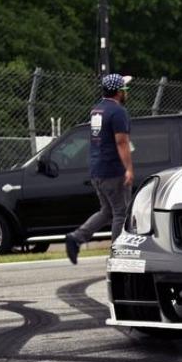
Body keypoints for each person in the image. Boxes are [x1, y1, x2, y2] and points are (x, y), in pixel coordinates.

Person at [65, 73, 134, 264]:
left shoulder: (97, 110)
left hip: (98, 168)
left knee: (107, 211)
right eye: (125, 89)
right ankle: (118, 253)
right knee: (121, 212)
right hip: (113, 169)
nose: (126, 92)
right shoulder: (118, 112)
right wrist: (128, 168)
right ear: (119, 92)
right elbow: (121, 142)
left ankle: (76, 237)